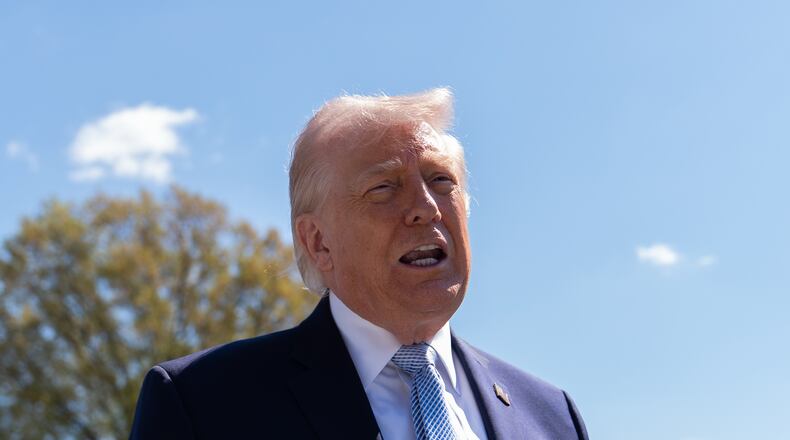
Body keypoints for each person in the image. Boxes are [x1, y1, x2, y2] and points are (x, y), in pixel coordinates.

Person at [129, 88, 589, 439]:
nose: (426, 207)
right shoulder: (203, 403)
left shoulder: (551, 416)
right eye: (384, 187)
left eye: (441, 180)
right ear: (318, 242)